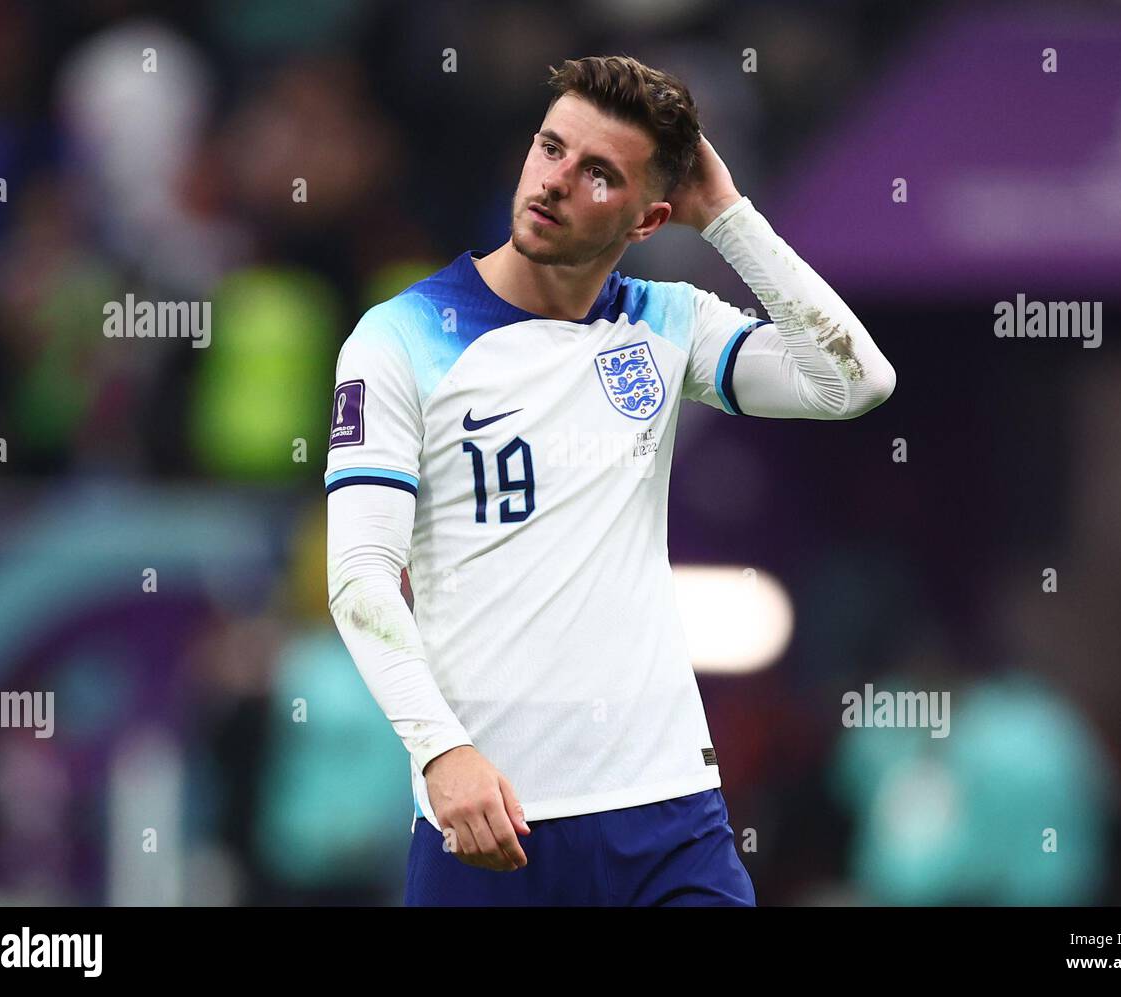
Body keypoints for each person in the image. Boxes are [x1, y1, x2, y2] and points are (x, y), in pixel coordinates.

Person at [325, 55, 895, 906]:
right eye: (551, 148)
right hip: (492, 824)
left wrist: (729, 220)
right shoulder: (400, 337)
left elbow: (853, 382)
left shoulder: (667, 321)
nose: (555, 182)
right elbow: (361, 577)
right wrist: (440, 750)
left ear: (648, 216)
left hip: (670, 817)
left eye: (598, 173)